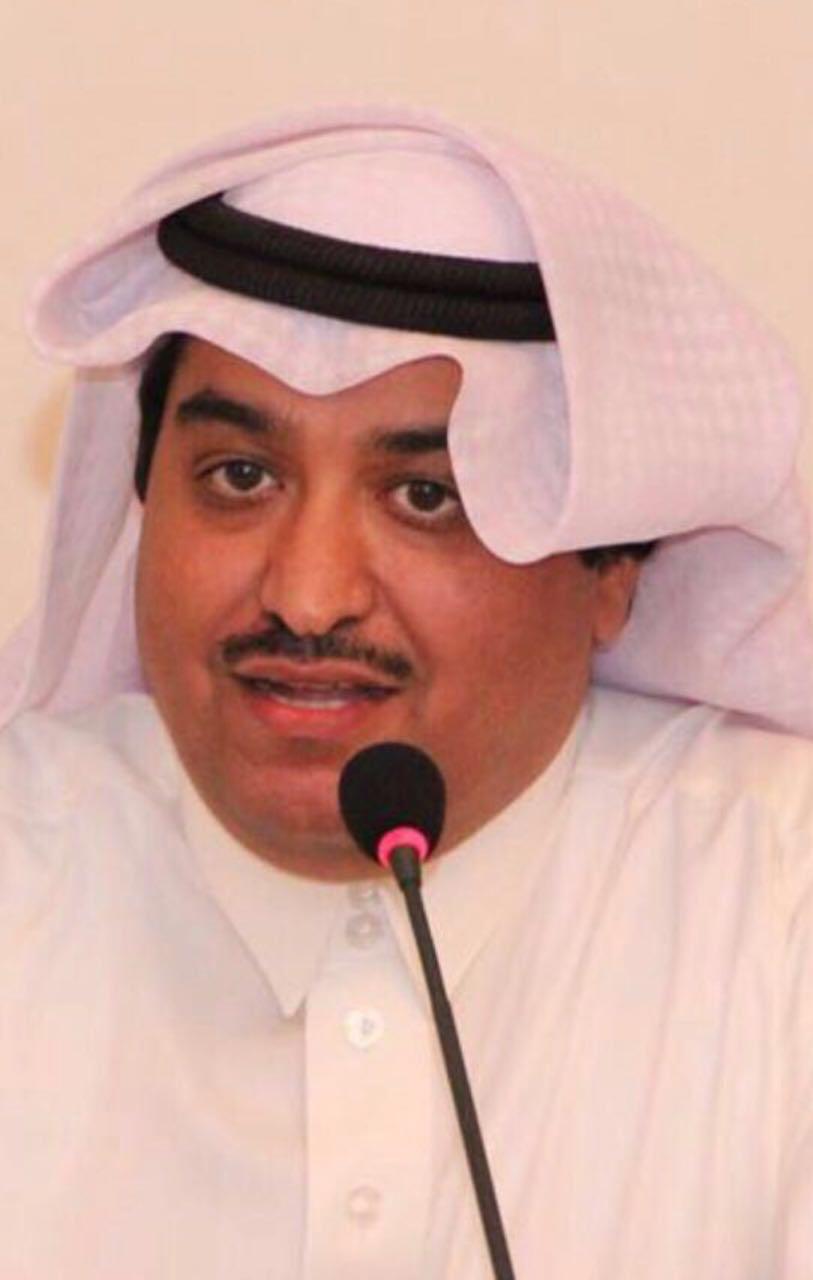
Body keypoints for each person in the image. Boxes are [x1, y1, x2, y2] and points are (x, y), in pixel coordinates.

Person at [0, 105, 810, 1278]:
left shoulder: (778, 910)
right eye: (240, 476)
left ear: (611, 573)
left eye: (427, 496)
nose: (308, 595)